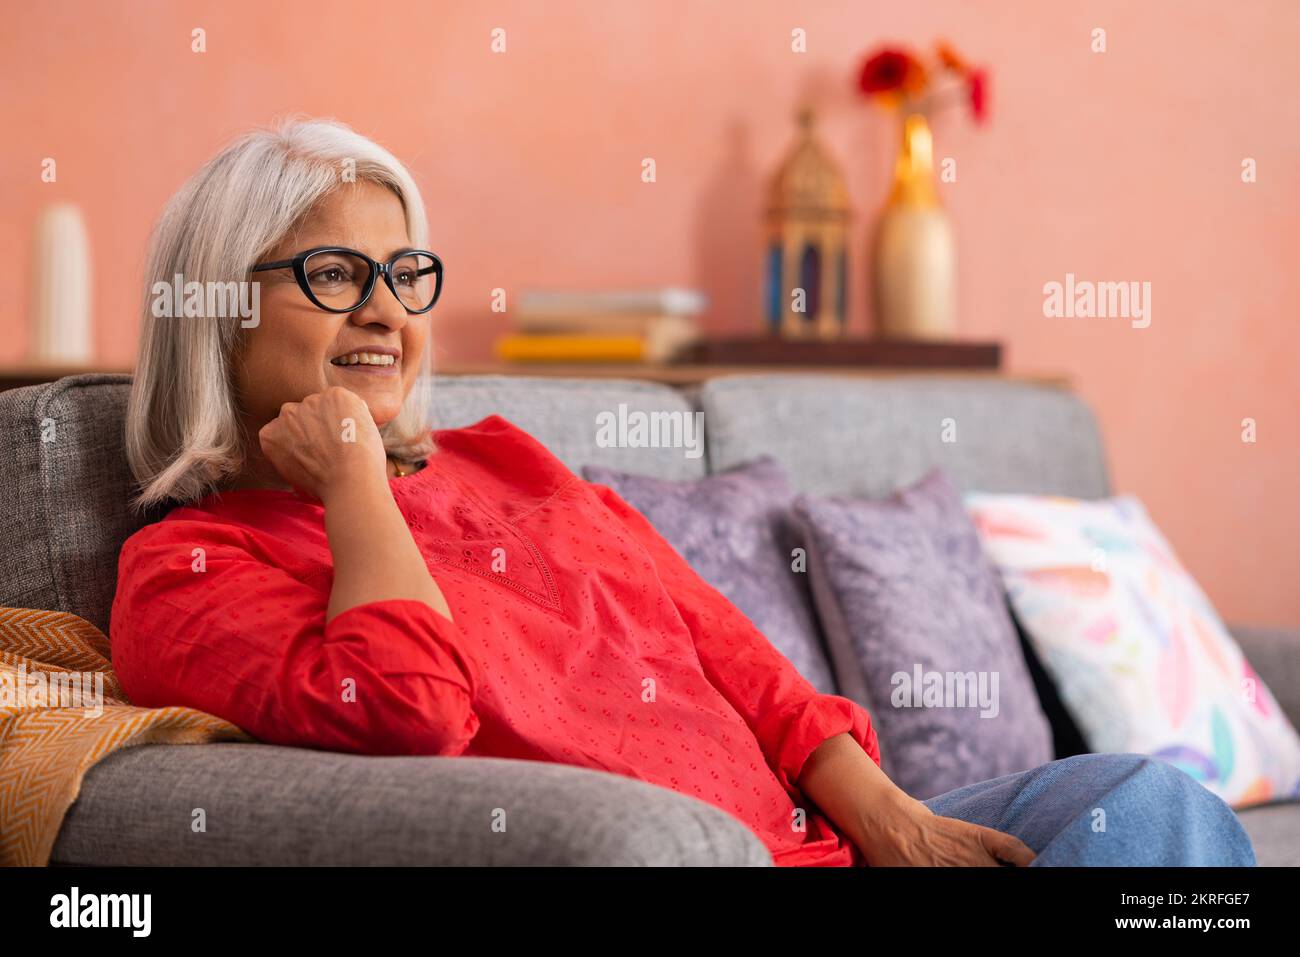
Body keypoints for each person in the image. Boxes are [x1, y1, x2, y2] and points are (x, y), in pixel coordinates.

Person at [111, 118, 1256, 867]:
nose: (386, 312)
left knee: (1143, 810)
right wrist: (356, 479)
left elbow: (734, 653)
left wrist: (893, 817)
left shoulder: (506, 458)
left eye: (404, 274)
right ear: (214, 308)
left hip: (839, 848)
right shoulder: (188, 569)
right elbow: (412, 709)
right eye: (332, 274)